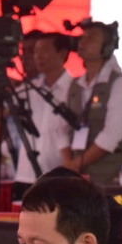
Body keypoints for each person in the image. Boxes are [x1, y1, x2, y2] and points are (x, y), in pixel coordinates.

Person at [63, 20, 122, 184]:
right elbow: (61, 129)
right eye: (82, 37)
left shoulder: (120, 85)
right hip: (77, 177)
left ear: (107, 47)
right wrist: (68, 163)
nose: (83, 42)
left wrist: (75, 165)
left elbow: (111, 136)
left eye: (92, 38)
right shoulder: (74, 85)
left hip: (109, 179)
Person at [15, 32, 76, 198]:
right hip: (26, 174)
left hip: (59, 175)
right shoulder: (29, 88)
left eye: (44, 50)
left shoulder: (76, 88)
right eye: (36, 51)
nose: (38, 56)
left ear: (63, 54)